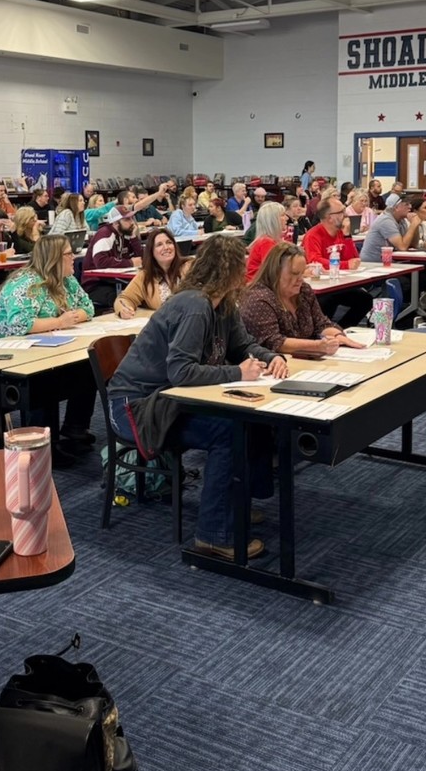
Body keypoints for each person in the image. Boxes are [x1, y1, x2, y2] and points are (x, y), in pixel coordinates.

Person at [107, 237, 289, 561]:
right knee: (227, 432)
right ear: (229, 271)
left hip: (166, 401)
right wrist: (237, 374)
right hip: (136, 407)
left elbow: (243, 345)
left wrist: (272, 357)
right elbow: (181, 372)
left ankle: (235, 506)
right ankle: (212, 535)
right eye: (242, 264)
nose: (247, 271)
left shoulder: (222, 305)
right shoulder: (195, 306)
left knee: (247, 422)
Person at [0, 235, 96, 459]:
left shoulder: (67, 279)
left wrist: (73, 317)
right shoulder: (27, 283)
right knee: (46, 379)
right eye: (67, 254)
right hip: (5, 351)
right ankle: (45, 447)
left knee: (90, 366)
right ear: (53, 258)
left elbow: (89, 307)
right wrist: (60, 322)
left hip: (44, 343)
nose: (73, 257)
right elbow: (19, 323)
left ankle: (75, 428)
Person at [241, 243, 365, 357]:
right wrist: (317, 346)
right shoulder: (258, 299)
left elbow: (321, 323)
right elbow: (273, 342)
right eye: (294, 273)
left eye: (302, 273)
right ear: (276, 272)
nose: (300, 279)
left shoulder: (303, 291)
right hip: (275, 364)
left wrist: (337, 336)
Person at [301, 198, 371, 328]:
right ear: (329, 218)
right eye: (341, 212)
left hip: (338, 283)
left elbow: (354, 260)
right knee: (328, 301)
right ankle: (323, 331)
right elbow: (315, 261)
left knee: (365, 299)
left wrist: (347, 236)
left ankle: (343, 328)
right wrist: (345, 265)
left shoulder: (341, 232)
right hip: (319, 286)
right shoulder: (313, 235)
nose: (345, 214)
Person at [114, 229, 190, 317]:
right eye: (159, 245)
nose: (166, 247)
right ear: (151, 252)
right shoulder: (145, 276)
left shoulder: (190, 267)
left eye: (169, 242)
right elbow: (124, 298)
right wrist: (124, 309)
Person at [82, 205, 143, 311]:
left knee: (140, 293)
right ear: (115, 222)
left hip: (114, 282)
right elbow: (101, 262)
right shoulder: (105, 234)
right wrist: (130, 263)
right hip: (95, 285)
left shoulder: (123, 234)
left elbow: (142, 258)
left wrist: (134, 238)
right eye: (127, 219)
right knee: (129, 299)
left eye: (132, 218)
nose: (132, 222)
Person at [360, 197, 421, 261]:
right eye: (406, 204)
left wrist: (415, 226)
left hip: (388, 261)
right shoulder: (386, 221)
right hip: (373, 263)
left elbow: (413, 245)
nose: (410, 207)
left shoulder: (402, 220)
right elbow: (402, 247)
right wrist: (413, 225)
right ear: (396, 208)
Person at [246, 201, 290, 281]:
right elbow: (273, 271)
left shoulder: (273, 240)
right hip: (258, 286)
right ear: (273, 220)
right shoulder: (266, 242)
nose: (287, 218)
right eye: (283, 215)